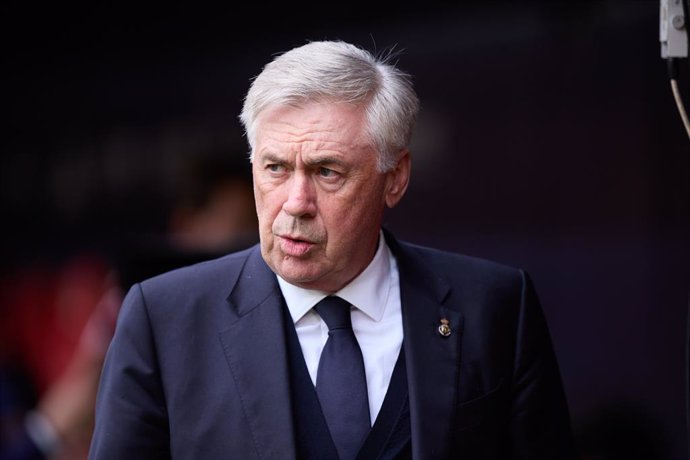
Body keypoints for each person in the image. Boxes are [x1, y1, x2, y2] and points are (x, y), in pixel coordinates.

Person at [88, 40, 576, 459]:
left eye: (327, 172)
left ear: (396, 178)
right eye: (275, 168)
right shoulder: (165, 320)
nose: (295, 204)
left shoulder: (493, 306)